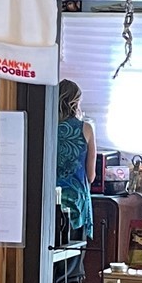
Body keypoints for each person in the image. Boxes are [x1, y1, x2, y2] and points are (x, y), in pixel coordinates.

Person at [56, 79, 95, 243]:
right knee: (74, 251)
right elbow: (91, 176)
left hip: (51, 198)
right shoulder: (86, 129)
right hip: (76, 201)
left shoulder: (48, 125)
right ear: (76, 101)